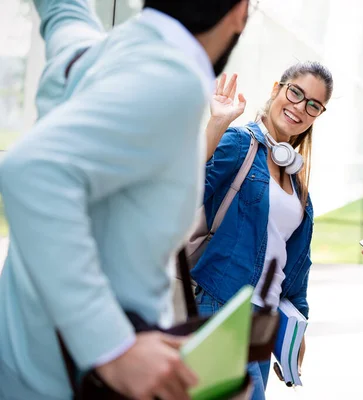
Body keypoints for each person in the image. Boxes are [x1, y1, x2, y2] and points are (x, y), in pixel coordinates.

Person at [0, 1, 248, 399]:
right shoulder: (176, 76)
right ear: (240, 11)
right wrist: (111, 346)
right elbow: (32, 169)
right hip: (75, 383)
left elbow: (63, 12)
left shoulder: (86, 54)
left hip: (18, 365)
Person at [192, 61, 333, 399]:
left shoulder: (299, 185)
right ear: (276, 89)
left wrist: (298, 332)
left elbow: (296, 270)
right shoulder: (240, 144)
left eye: (313, 104)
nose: (300, 107)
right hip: (221, 304)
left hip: (263, 322)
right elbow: (185, 189)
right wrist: (217, 123)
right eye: (295, 93)